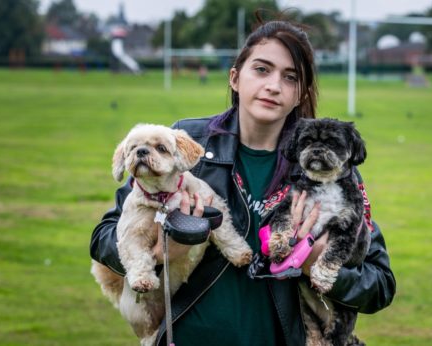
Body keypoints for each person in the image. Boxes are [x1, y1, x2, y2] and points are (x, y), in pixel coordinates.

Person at [90, 16, 395, 346]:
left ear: (300, 94)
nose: (274, 85)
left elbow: (379, 285)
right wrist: (163, 250)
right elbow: (104, 238)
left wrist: (315, 262)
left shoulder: (329, 166)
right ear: (235, 78)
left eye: (290, 77)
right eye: (262, 69)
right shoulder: (184, 144)